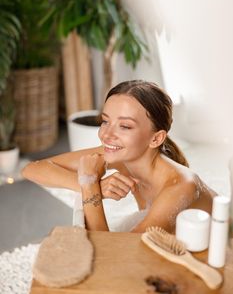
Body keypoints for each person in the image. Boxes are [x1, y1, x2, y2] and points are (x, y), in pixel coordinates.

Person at [22, 80, 216, 233]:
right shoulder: (123, 154)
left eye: (125, 126)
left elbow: (113, 252)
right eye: (105, 121)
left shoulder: (181, 186)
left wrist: (90, 184)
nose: (106, 135)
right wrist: (93, 185)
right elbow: (32, 169)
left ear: (156, 138)